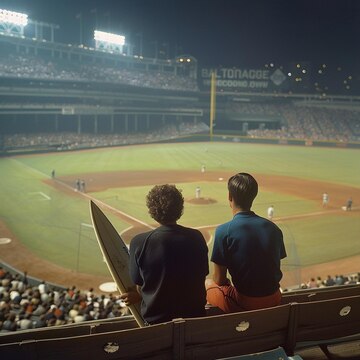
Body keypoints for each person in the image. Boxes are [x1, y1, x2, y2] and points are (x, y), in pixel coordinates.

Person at [120, 184, 209, 325]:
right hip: (195, 320)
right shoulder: (196, 237)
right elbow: (201, 274)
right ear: (180, 208)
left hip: (156, 323)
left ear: (152, 210)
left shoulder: (139, 242)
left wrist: (138, 296)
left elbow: (139, 284)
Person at [206, 172, 286, 313]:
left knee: (208, 284)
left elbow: (219, 280)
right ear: (253, 197)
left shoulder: (224, 231)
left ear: (230, 197)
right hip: (275, 297)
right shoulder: (274, 228)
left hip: (245, 303)